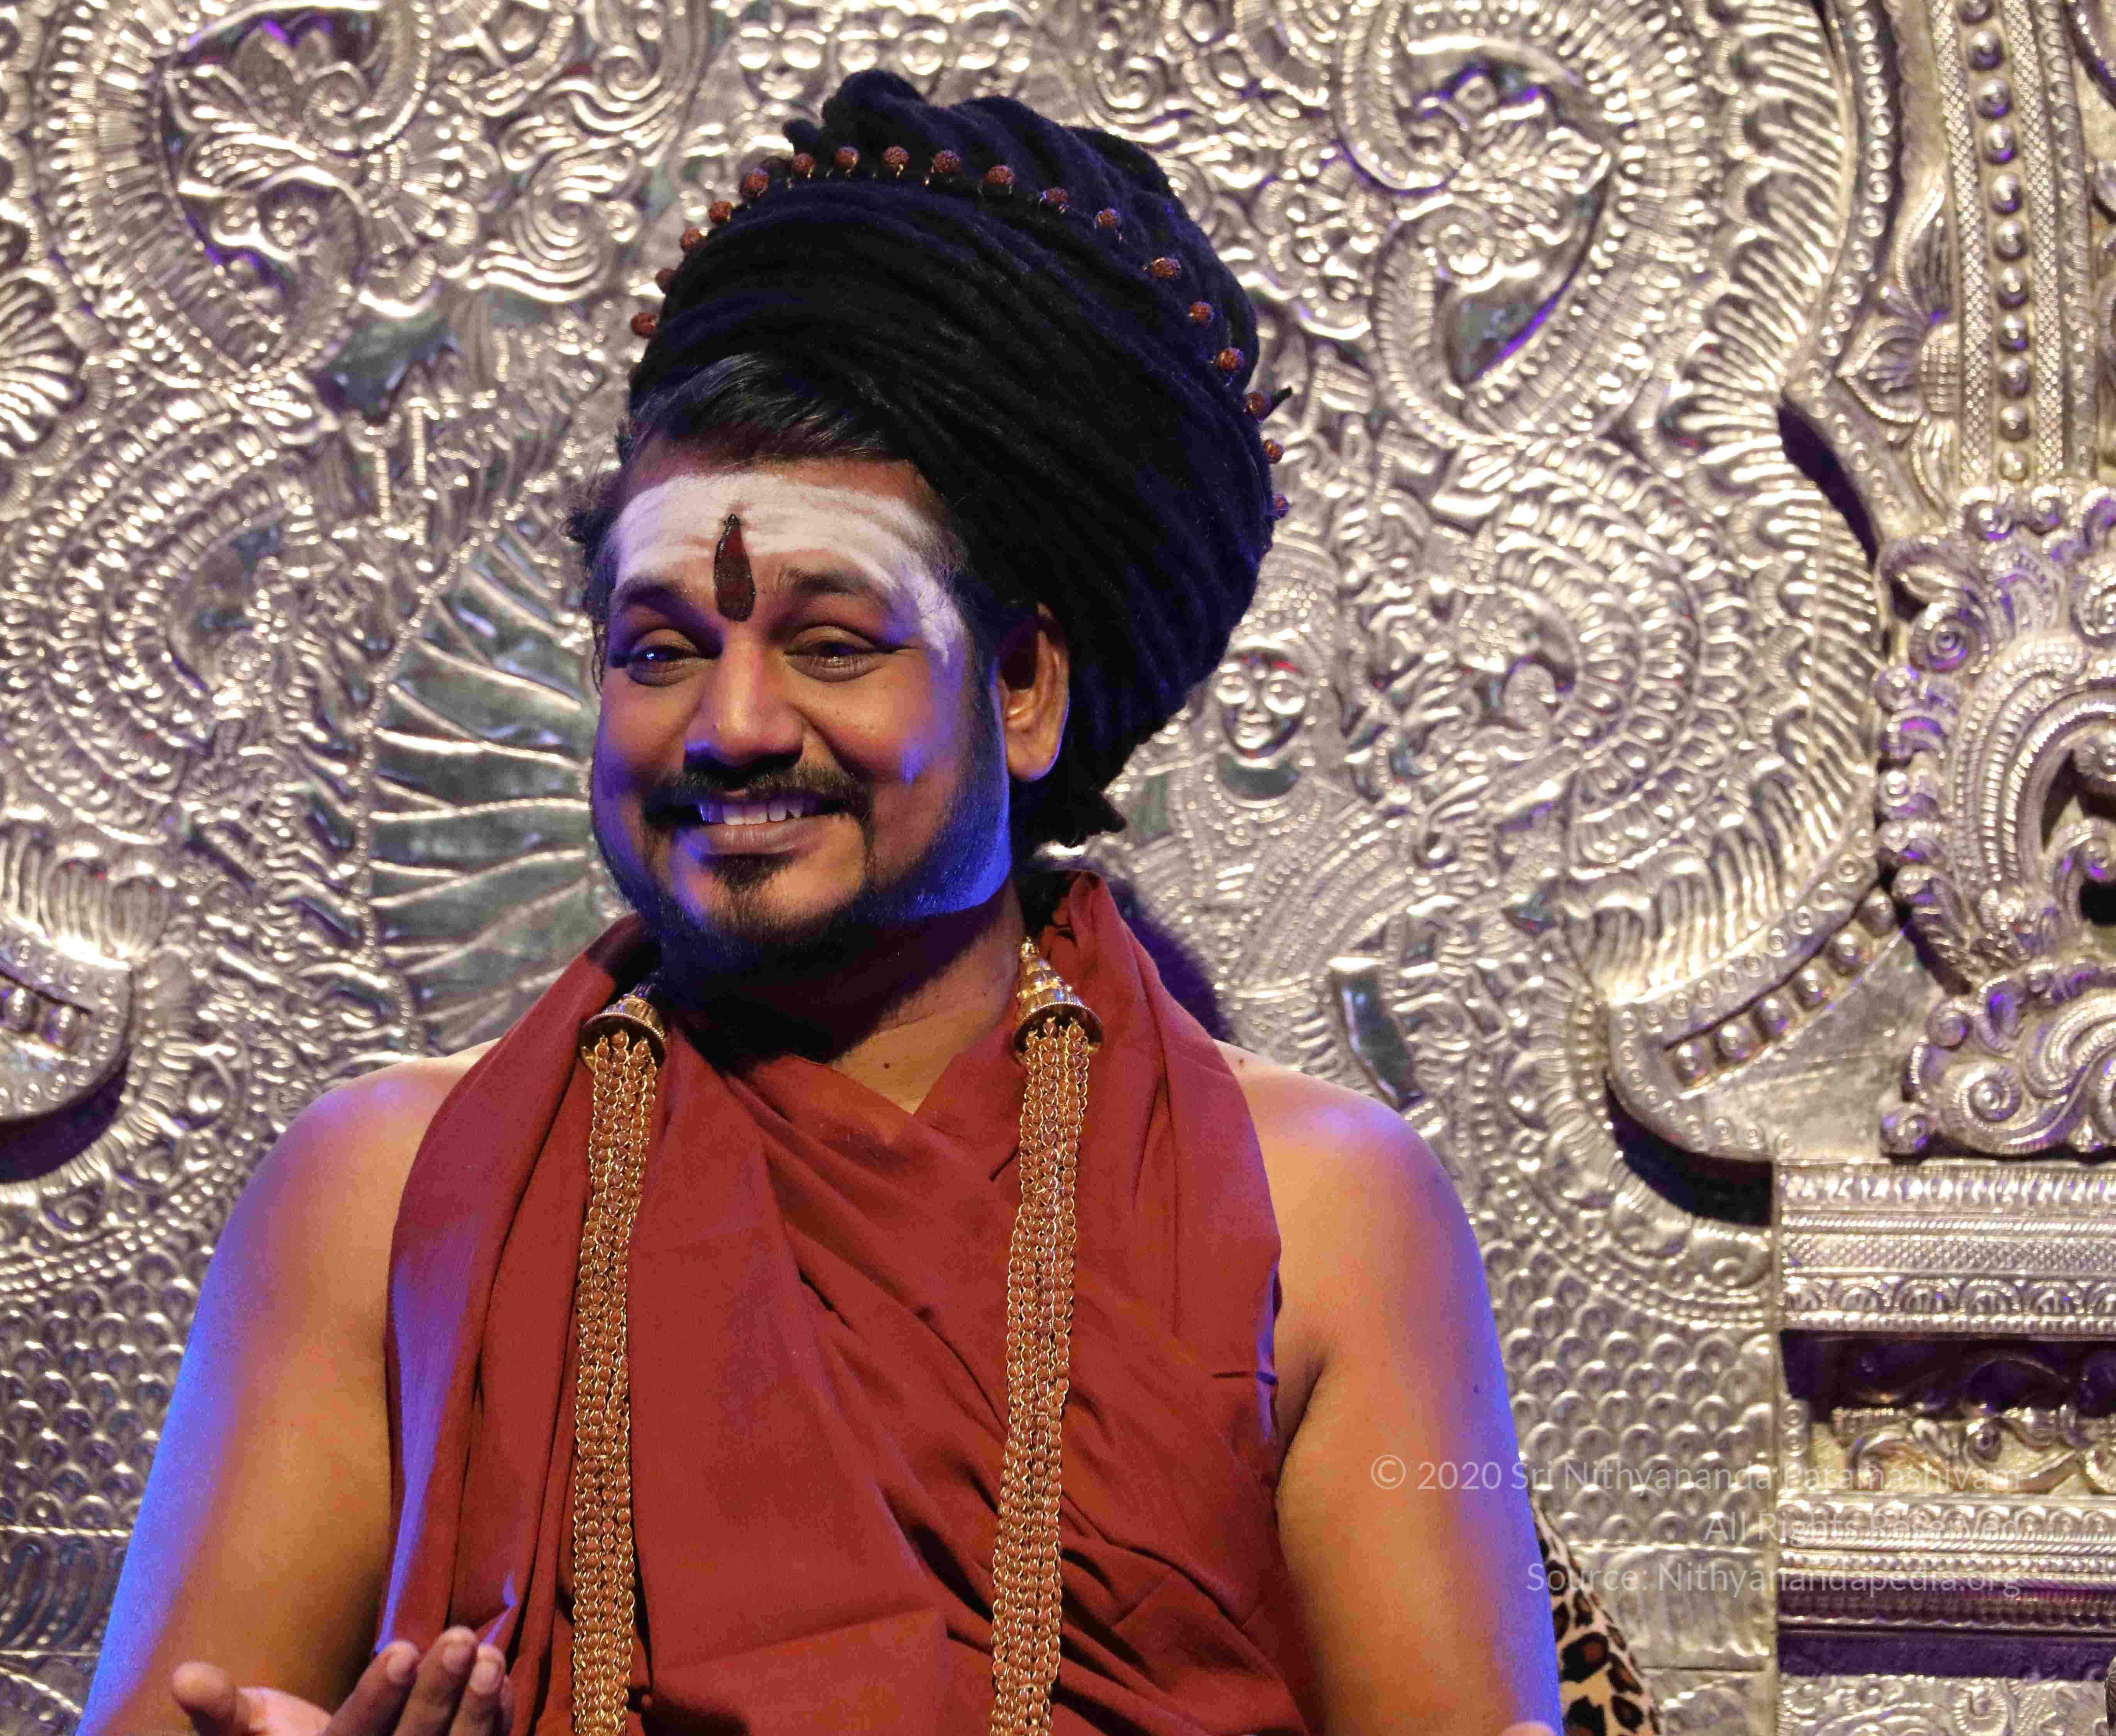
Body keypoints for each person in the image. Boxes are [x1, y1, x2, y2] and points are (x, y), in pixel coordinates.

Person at [79, 71, 1564, 1736]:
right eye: (659, 652)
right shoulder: (385, 1189)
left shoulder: (1323, 1207)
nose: (729, 726)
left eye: (835, 644)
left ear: (1021, 687)